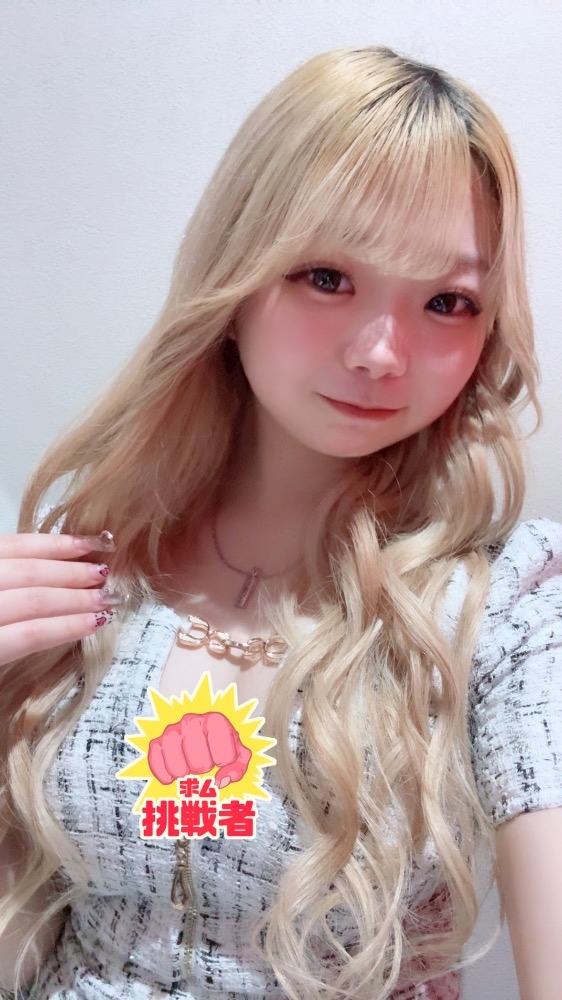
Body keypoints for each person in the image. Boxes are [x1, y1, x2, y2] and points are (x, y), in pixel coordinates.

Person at [1, 44, 561, 1000]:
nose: (381, 353)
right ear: (236, 271)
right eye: (327, 277)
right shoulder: (92, 556)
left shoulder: (503, 607)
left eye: (447, 302)